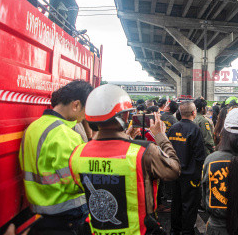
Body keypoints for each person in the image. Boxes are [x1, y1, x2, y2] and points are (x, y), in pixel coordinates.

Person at [69, 84, 180, 234]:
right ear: (125, 116)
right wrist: (160, 136)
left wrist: (128, 137)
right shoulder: (144, 151)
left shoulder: (78, 153)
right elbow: (174, 170)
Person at [19, 80, 94, 234]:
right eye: (85, 110)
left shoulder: (33, 128)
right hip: (67, 213)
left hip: (40, 210)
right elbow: (74, 183)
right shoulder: (65, 135)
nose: (85, 116)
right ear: (76, 105)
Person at [167, 102, 206, 235]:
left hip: (174, 173)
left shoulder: (173, 128)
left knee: (176, 203)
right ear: (194, 113)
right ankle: (187, 231)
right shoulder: (195, 129)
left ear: (180, 112)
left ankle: (174, 230)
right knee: (189, 205)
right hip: (190, 175)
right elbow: (200, 155)